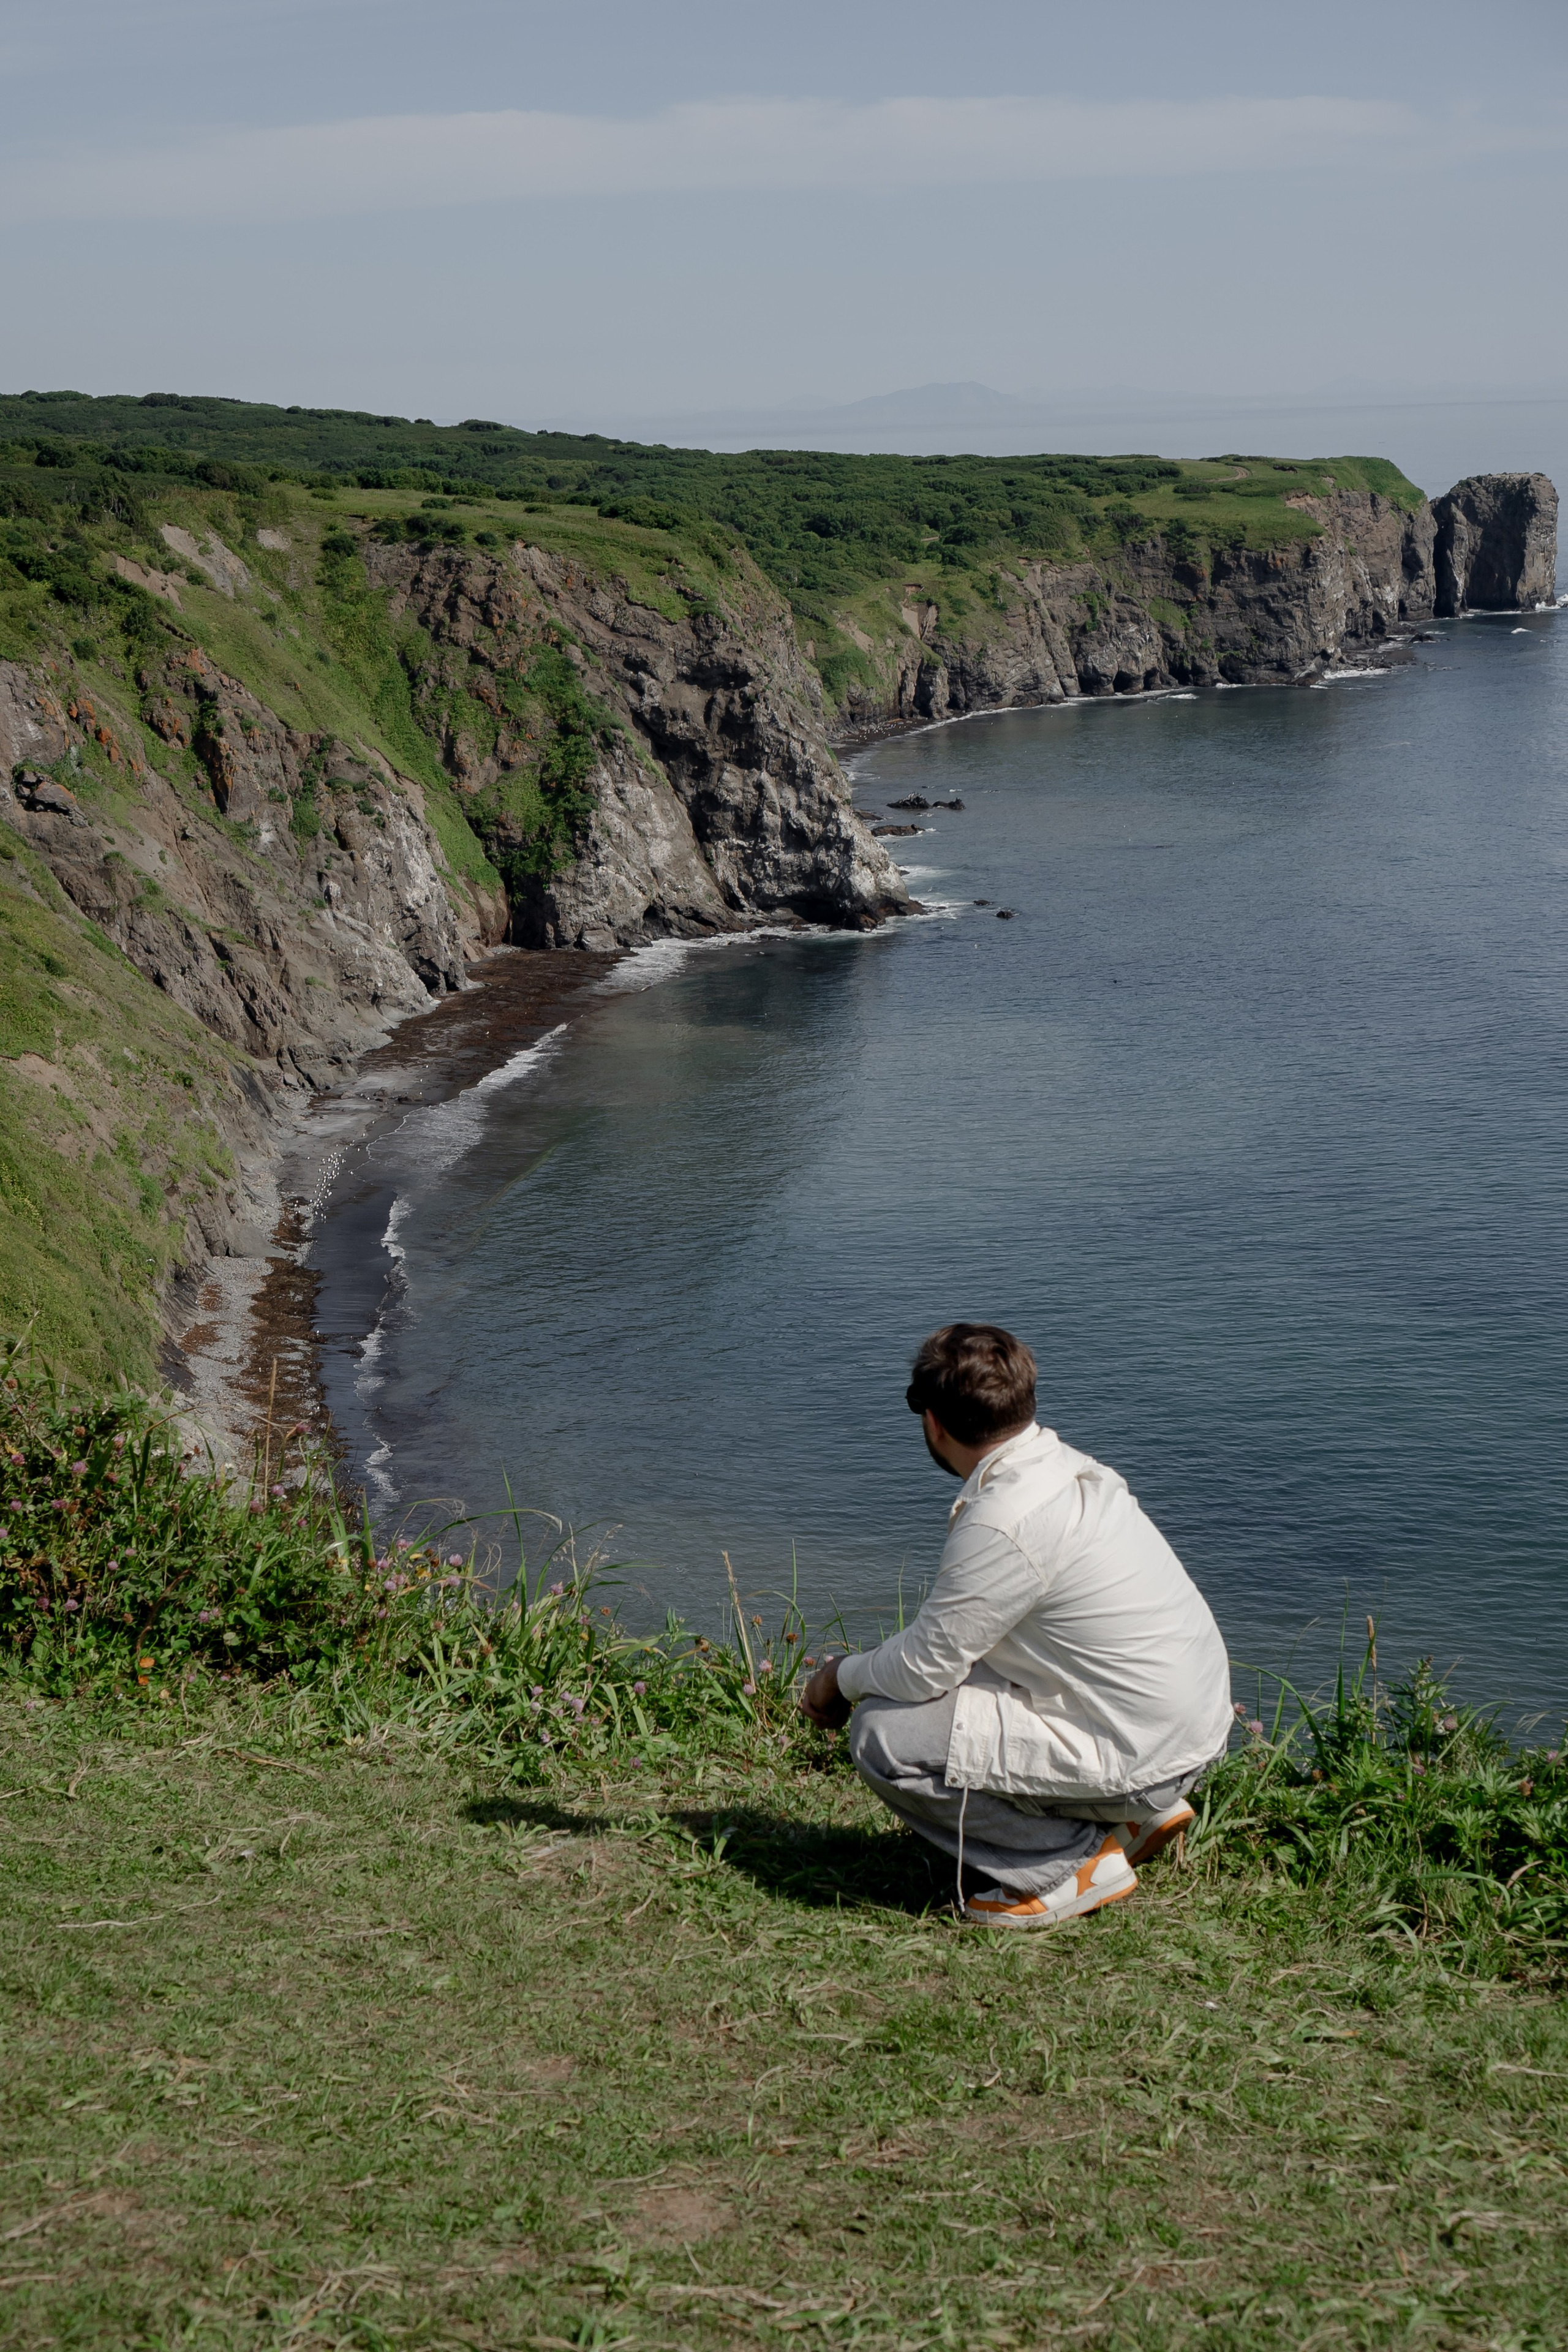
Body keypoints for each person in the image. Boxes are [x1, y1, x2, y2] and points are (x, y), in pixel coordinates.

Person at [799, 1323, 1233, 1929]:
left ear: (933, 1424)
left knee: (882, 1734)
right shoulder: (1069, 1470)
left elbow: (925, 1667)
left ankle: (1065, 1866)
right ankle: (1128, 1818)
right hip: (1183, 1730)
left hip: (1145, 1754)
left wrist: (836, 1678)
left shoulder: (1004, 1519)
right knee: (963, 1678)